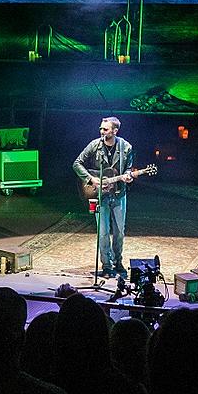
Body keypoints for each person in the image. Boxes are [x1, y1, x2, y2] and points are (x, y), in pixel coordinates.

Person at [72, 116, 135, 279]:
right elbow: (77, 163)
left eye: (105, 129)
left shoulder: (126, 147)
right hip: (100, 195)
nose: (101, 132)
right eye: (101, 128)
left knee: (119, 231)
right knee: (103, 232)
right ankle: (106, 265)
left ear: (115, 131)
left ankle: (118, 262)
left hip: (119, 194)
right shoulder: (94, 145)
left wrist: (128, 176)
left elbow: (128, 169)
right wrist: (90, 179)